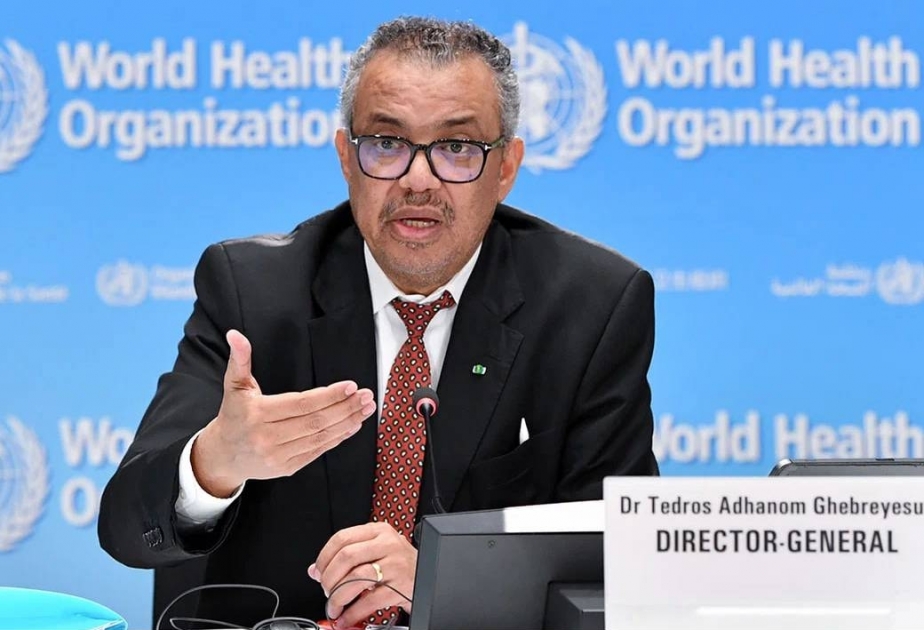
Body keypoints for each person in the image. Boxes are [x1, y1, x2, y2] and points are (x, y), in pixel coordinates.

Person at [98, 15, 659, 630]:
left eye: (456, 148)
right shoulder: (252, 293)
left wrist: (447, 588)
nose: (418, 180)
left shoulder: (590, 307)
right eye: (387, 144)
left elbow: (615, 573)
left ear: (506, 168)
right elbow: (124, 528)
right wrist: (213, 464)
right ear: (347, 158)